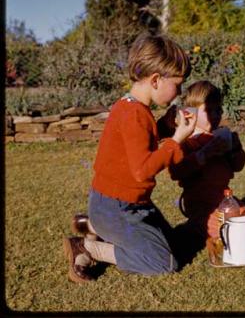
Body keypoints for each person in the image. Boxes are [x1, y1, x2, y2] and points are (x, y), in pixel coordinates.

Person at [64, 33, 196, 283]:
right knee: (164, 261)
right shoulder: (135, 114)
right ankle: (88, 248)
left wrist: (166, 127)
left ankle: (93, 226)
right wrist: (176, 140)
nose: (178, 93)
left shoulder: (130, 107)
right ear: (156, 80)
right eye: (177, 85)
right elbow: (142, 170)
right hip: (118, 207)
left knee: (175, 243)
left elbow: (138, 146)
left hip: (122, 204)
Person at [158, 80, 245, 240]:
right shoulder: (186, 140)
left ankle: (209, 224)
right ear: (190, 112)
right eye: (209, 110)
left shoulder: (221, 136)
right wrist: (204, 154)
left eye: (219, 110)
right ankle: (197, 226)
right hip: (199, 201)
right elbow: (176, 171)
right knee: (226, 231)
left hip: (223, 198)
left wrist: (235, 149)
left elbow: (238, 166)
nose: (216, 115)